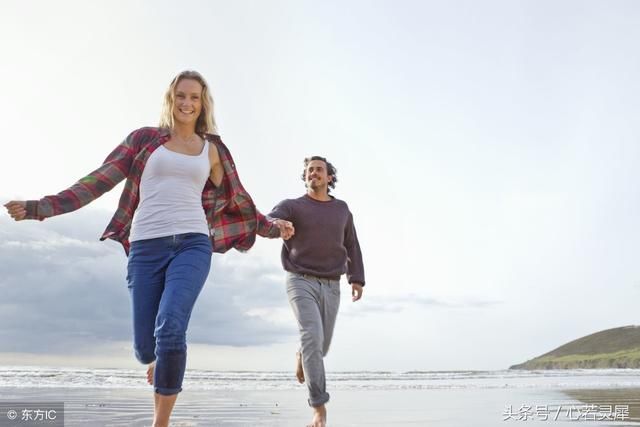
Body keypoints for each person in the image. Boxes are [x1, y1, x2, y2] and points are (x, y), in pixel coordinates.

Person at [4, 70, 294, 427]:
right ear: (170, 99)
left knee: (171, 326)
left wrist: (272, 228)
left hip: (193, 243)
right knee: (146, 349)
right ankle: (159, 359)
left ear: (203, 104)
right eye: (181, 96)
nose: (187, 103)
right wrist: (40, 207)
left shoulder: (213, 149)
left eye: (194, 97)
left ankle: (161, 422)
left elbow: (241, 201)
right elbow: (99, 180)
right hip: (145, 247)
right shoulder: (145, 139)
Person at [267, 156, 365, 427]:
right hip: (300, 279)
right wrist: (276, 225)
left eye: (319, 170)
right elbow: (270, 218)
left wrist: (356, 278)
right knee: (312, 335)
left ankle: (302, 354)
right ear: (305, 176)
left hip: (332, 283)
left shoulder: (342, 209)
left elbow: (352, 244)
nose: (314, 173)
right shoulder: (293, 206)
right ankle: (319, 408)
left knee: (320, 346)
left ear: (329, 177)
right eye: (310, 170)